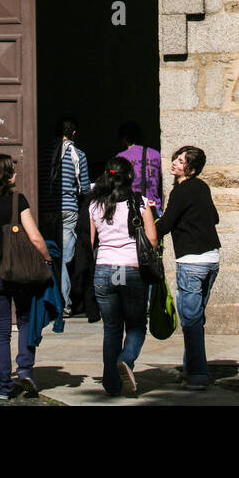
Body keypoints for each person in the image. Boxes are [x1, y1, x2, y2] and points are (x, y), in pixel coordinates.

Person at [0, 153, 52, 400]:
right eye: (11, 170)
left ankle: (4, 387)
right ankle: (25, 369)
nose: (15, 174)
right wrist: (48, 259)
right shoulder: (18, 200)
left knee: (0, 331)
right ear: (3, 175)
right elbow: (35, 237)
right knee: (26, 320)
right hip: (20, 273)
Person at [89, 156, 157, 398]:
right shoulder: (139, 201)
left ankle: (111, 383)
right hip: (131, 268)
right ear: (129, 176)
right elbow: (151, 239)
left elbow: (91, 242)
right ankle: (126, 360)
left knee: (111, 328)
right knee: (137, 325)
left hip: (105, 269)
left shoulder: (95, 204)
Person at [156, 145, 220, 391]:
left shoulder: (181, 191)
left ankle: (197, 375)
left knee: (191, 321)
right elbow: (214, 217)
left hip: (191, 262)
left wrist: (147, 228)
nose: (175, 163)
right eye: (176, 159)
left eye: (181, 162)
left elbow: (166, 224)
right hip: (212, 259)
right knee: (196, 318)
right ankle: (189, 369)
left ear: (190, 170)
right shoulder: (202, 188)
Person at [40, 117, 91, 316]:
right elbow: (84, 188)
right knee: (66, 258)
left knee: (48, 254)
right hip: (68, 210)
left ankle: (47, 300)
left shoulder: (43, 153)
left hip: (46, 210)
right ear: (74, 133)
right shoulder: (78, 155)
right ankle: (65, 302)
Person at [116, 120, 163, 213]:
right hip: (154, 208)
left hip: (132, 208)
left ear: (124, 138)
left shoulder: (121, 157)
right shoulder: (155, 154)